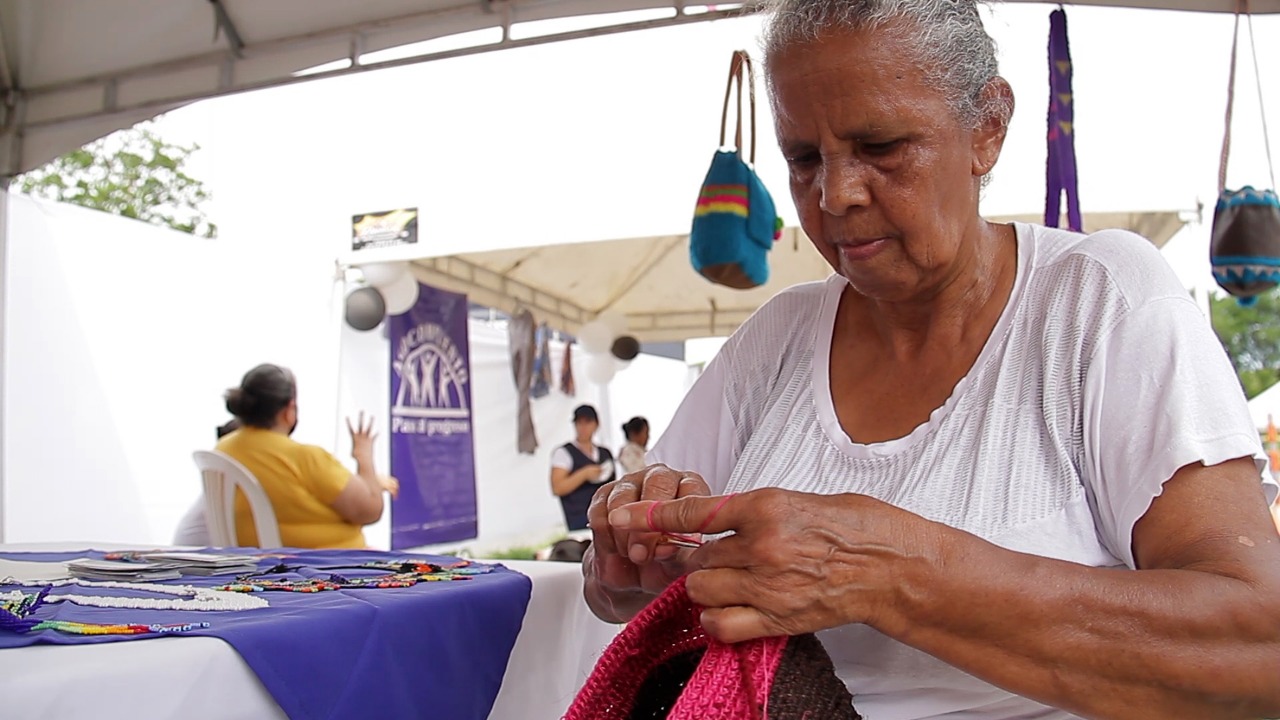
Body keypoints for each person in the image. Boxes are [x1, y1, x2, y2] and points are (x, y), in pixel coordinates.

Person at [581, 1, 1280, 718]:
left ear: (987, 128)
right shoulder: (777, 339)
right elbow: (613, 591)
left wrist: (892, 574)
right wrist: (630, 562)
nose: (836, 194)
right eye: (803, 159)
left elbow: (1259, 650)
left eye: (881, 145)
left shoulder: (1097, 301)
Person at [218, 363, 398, 548]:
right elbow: (370, 511)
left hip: (250, 562)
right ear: (289, 410)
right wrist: (363, 455)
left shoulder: (223, 449)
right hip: (324, 564)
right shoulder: (305, 458)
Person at [550, 404, 617, 531]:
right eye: (579, 423)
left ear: (596, 424)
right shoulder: (563, 453)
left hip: (607, 519)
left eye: (587, 422)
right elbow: (557, 487)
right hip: (579, 521)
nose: (583, 427)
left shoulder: (604, 453)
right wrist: (584, 474)